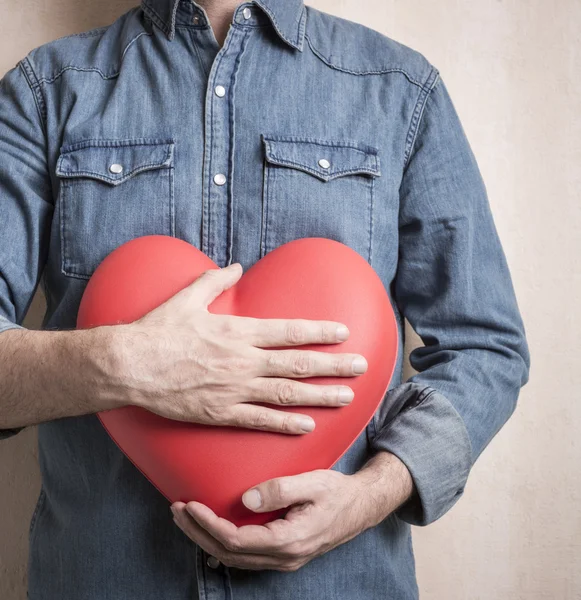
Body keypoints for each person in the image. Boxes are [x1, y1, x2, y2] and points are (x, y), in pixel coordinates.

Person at [0, 0, 530, 598]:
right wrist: (123, 364)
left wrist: (369, 495)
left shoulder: (401, 91)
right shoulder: (44, 93)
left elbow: (485, 346)